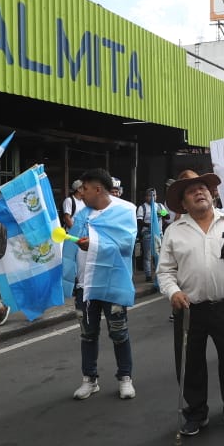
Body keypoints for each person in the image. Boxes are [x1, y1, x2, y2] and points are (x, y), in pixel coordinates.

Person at [158, 170, 224, 435]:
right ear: (184, 203)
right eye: (191, 191)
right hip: (189, 309)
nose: (199, 192)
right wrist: (173, 292)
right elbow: (165, 272)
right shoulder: (174, 231)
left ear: (213, 194)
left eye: (202, 188)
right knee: (190, 364)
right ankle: (196, 413)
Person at [69, 168, 138, 400]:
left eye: (85, 189)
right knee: (87, 334)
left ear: (98, 189)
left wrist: (94, 244)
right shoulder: (81, 214)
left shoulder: (125, 210)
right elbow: (72, 243)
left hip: (112, 283)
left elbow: (126, 245)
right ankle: (89, 379)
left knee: (119, 332)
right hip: (85, 284)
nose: (82, 193)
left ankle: (125, 377)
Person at [135, 187, 163, 279]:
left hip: (159, 234)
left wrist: (160, 214)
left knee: (159, 254)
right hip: (147, 234)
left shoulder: (159, 206)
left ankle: (159, 275)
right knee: (148, 256)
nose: (152, 197)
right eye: (150, 196)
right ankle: (148, 275)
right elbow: (139, 221)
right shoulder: (142, 207)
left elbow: (167, 216)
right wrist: (149, 225)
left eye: (154, 195)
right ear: (146, 197)